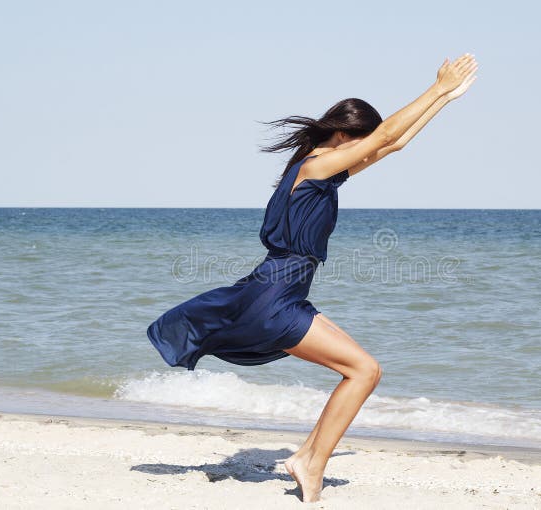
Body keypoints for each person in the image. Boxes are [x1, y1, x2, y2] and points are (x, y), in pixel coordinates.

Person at [146, 54, 478, 502]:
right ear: (342, 135)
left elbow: (392, 144)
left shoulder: (321, 170)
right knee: (363, 371)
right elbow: (384, 135)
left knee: (363, 371)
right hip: (275, 295)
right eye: (355, 142)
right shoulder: (317, 167)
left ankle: (309, 456)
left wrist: (446, 100)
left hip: (280, 291)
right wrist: (436, 87)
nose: (361, 150)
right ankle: (310, 462)